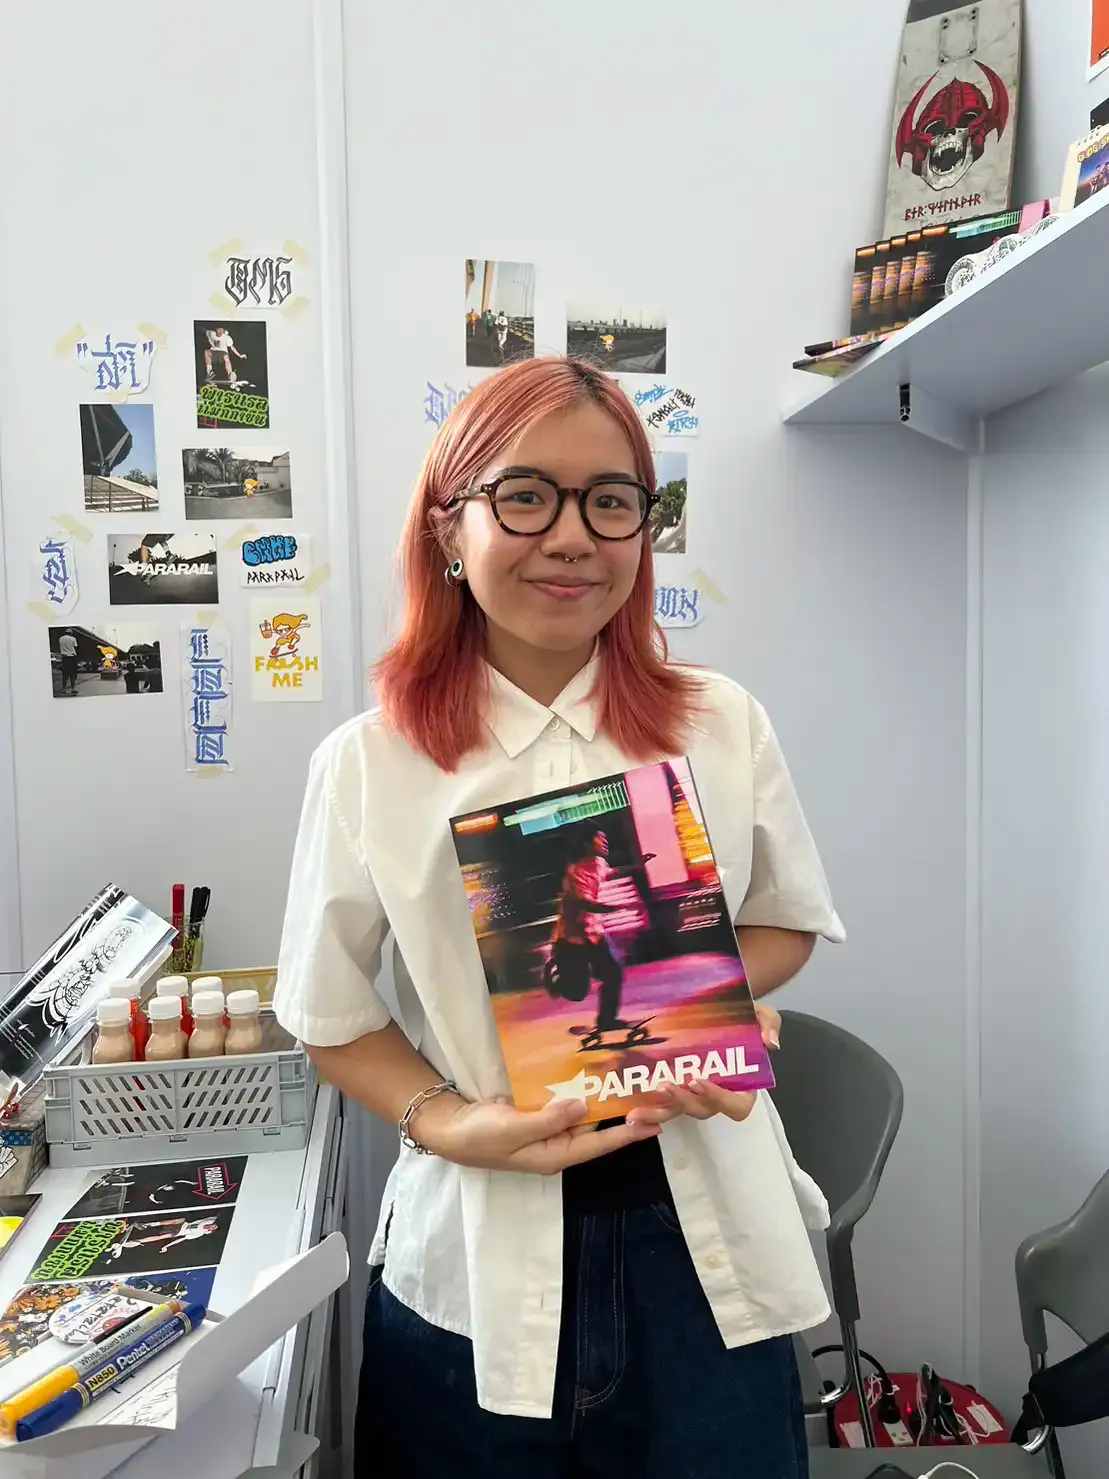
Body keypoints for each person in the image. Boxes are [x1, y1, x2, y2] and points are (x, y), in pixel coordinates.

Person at [274, 355, 845, 1478]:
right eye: (526, 496)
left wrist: (700, 1001)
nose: (573, 537)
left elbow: (783, 924)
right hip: (476, 1250)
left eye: (610, 500)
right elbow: (330, 1017)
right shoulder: (370, 763)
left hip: (704, 1246)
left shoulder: (717, 723)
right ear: (449, 526)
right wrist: (446, 1121)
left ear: (642, 528)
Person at [550, 828, 630, 1030]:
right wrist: (613, 908)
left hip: (593, 932)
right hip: (572, 937)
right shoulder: (576, 871)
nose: (605, 842)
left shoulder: (599, 863)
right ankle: (557, 980)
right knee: (577, 993)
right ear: (587, 844)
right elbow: (584, 903)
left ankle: (607, 1020)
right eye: (600, 839)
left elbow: (610, 873)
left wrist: (637, 865)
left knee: (614, 974)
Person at [57, 629, 78, 696]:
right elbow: (75, 647)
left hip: (64, 658)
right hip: (72, 657)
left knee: (65, 674)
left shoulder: (60, 639)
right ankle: (73, 689)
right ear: (71, 633)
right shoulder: (73, 638)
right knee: (73, 674)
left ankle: (64, 689)